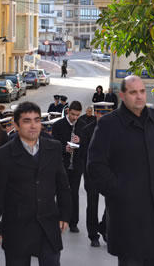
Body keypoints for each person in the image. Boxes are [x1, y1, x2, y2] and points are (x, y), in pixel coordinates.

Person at [87, 75, 154, 266]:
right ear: (122, 95)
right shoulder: (109, 124)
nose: (139, 97)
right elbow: (96, 166)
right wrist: (119, 191)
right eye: (133, 92)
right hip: (127, 216)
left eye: (142, 91)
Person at [0, 101, 72, 266]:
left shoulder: (53, 148)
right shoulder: (3, 155)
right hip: (17, 228)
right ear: (16, 125)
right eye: (27, 121)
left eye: (37, 120)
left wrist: (65, 214)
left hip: (48, 225)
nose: (33, 125)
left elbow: (62, 185)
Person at [80, 102, 114, 247]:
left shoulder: (116, 129)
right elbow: (83, 154)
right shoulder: (87, 130)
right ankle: (93, 235)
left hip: (109, 175)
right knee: (92, 206)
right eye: (100, 113)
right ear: (96, 113)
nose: (103, 116)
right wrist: (86, 175)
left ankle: (104, 227)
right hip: (92, 174)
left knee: (113, 203)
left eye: (106, 113)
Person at [52, 100, 86, 233]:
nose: (75, 118)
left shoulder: (83, 126)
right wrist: (64, 148)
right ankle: (60, 218)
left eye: (78, 115)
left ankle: (73, 222)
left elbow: (87, 148)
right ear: (68, 111)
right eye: (73, 114)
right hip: (61, 165)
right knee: (61, 192)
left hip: (76, 166)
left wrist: (80, 141)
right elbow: (53, 144)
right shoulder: (58, 125)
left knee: (74, 193)